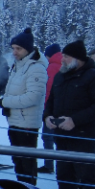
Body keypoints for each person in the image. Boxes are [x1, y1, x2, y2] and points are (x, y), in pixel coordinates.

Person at [43, 40, 95, 189]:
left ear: (77, 58)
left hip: (83, 137)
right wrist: (47, 116)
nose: (62, 59)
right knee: (64, 178)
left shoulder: (94, 77)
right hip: (61, 137)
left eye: (66, 56)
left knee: (87, 178)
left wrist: (74, 121)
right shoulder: (60, 76)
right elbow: (51, 100)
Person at [1, 29, 48, 185]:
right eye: (13, 48)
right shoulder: (18, 66)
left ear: (28, 49)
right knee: (18, 162)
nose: (14, 52)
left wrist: (6, 101)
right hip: (15, 121)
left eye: (18, 49)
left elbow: (33, 97)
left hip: (27, 124)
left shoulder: (36, 68)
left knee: (27, 164)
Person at [39, 43, 63, 174]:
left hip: (51, 108)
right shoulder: (64, 65)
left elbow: (47, 90)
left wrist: (45, 107)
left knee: (47, 137)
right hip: (62, 108)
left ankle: (49, 165)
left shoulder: (51, 68)